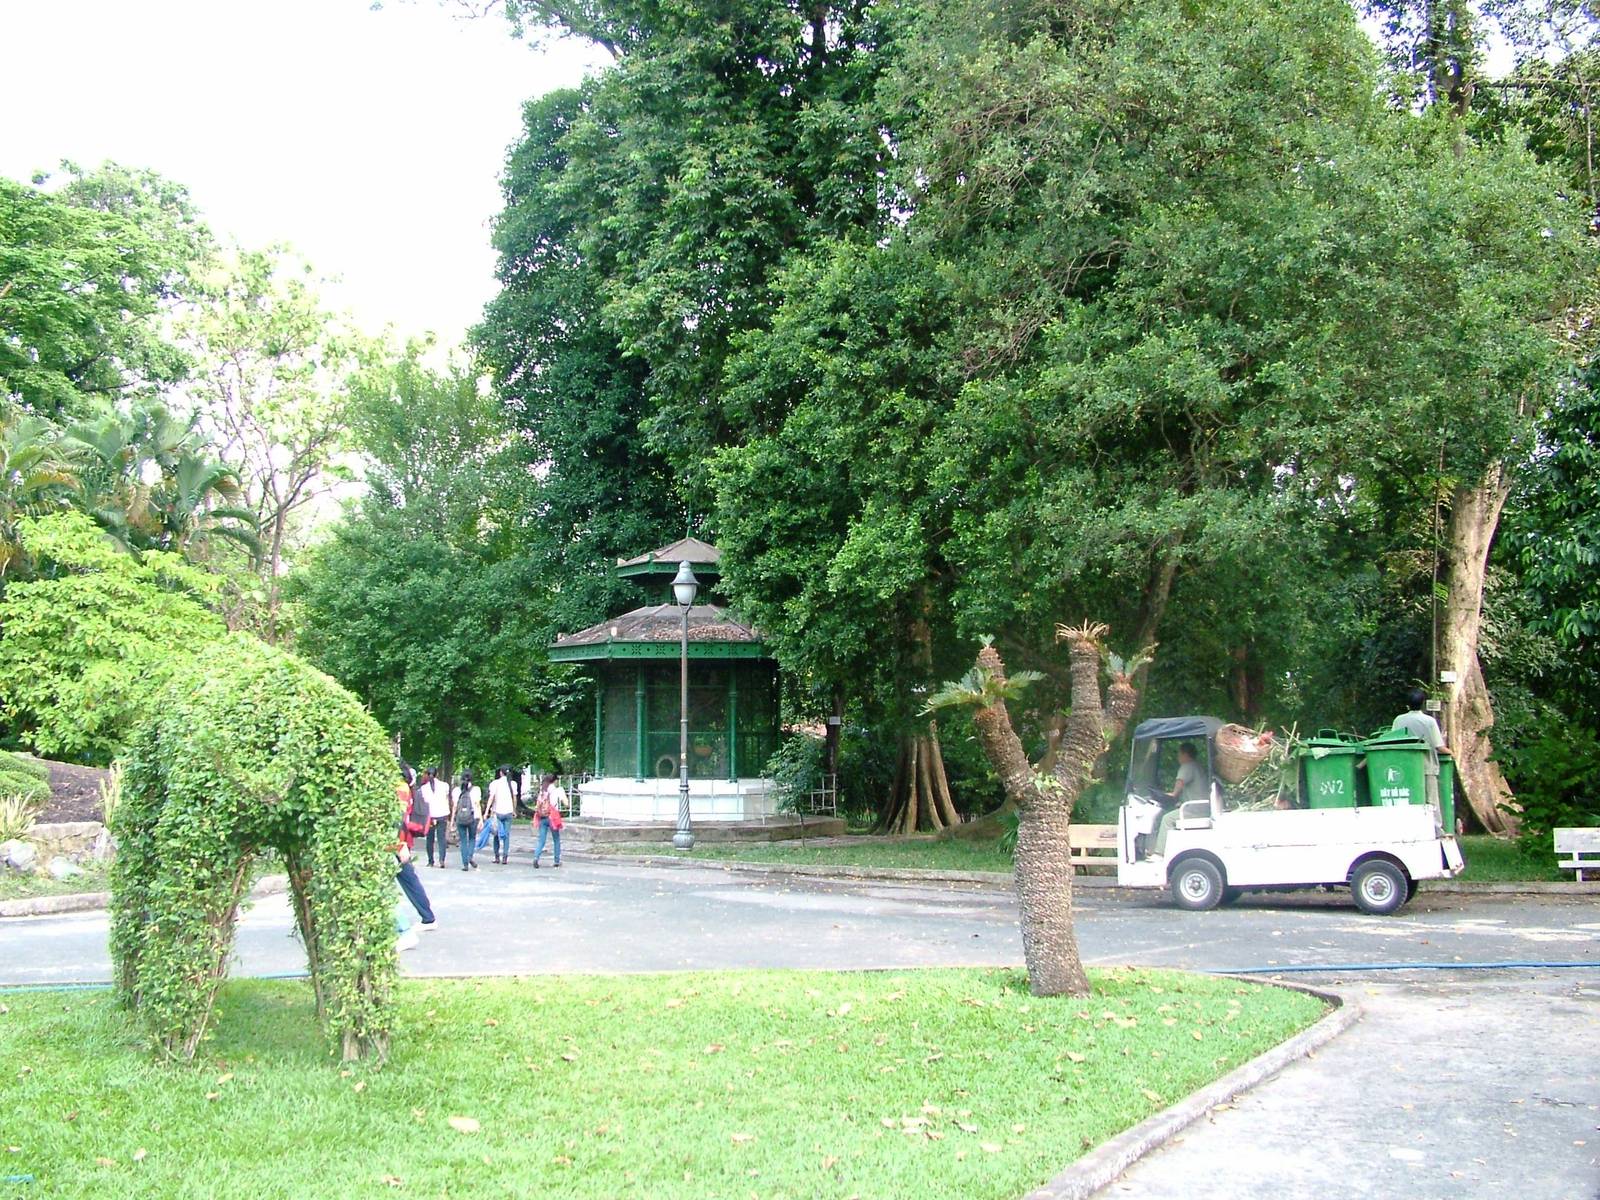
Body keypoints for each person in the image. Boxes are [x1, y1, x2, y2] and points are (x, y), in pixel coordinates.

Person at [1393, 688, 1448, 813]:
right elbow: (1439, 746)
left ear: (1407, 704)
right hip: (1427, 766)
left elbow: (1393, 741)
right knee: (1431, 800)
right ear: (1423, 704)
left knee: (1411, 799)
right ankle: (1436, 829)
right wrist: (1451, 753)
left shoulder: (1399, 720)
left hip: (1406, 767)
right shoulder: (1429, 721)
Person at [1151, 743, 1208, 858]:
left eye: (1179, 754)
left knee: (1167, 819)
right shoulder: (1198, 767)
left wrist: (1172, 794)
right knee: (1173, 813)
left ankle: (1159, 853)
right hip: (1203, 808)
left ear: (1184, 754)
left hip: (1194, 810)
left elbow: (1179, 783)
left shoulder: (1187, 766)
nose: (1178, 757)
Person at [476, 766, 517, 864]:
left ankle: (497, 856)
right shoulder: (513, 784)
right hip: (508, 811)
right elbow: (514, 798)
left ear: (500, 773)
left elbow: (491, 798)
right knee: (506, 835)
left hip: (497, 812)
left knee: (496, 834)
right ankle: (505, 857)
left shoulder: (495, 783)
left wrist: (486, 812)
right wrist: (514, 810)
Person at [531, 772, 566, 868]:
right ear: (555, 781)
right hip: (553, 817)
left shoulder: (543, 790)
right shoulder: (557, 790)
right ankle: (557, 861)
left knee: (541, 840)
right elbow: (566, 803)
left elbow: (538, 805)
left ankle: (536, 857)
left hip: (542, 817)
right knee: (556, 839)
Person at [453, 769, 484, 871]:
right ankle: (470, 856)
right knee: (472, 838)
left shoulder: (457, 791)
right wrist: (481, 820)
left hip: (460, 818)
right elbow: (477, 805)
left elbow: (454, 807)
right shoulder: (476, 790)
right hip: (473, 817)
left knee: (463, 840)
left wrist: (453, 819)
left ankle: (465, 864)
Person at [422, 767, 451, 869]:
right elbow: (446, 798)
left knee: (429, 839)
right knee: (441, 838)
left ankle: (431, 861)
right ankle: (442, 859)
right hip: (442, 814)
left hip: (430, 816)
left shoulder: (424, 788)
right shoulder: (444, 786)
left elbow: (425, 803)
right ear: (437, 774)